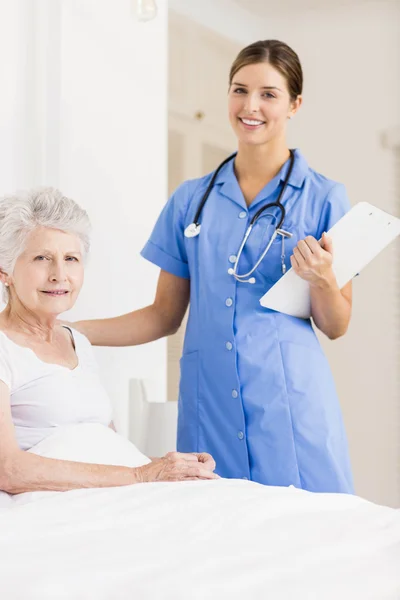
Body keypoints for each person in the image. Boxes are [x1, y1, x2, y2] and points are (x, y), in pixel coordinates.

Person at [74, 40, 354, 494]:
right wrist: (68, 331)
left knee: (308, 545)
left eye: (268, 94)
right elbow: (163, 316)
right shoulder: (191, 199)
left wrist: (322, 279)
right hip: (210, 410)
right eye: (239, 90)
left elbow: (337, 324)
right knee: (215, 546)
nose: (250, 106)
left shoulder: (325, 197)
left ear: (295, 104)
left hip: (290, 405)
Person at [0, 188, 218, 495]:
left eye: (71, 259)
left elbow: (111, 454)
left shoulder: (78, 343)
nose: (59, 275)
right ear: (4, 271)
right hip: (49, 507)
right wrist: (145, 474)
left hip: (107, 498)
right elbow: (8, 471)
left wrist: (171, 465)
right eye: (42, 258)